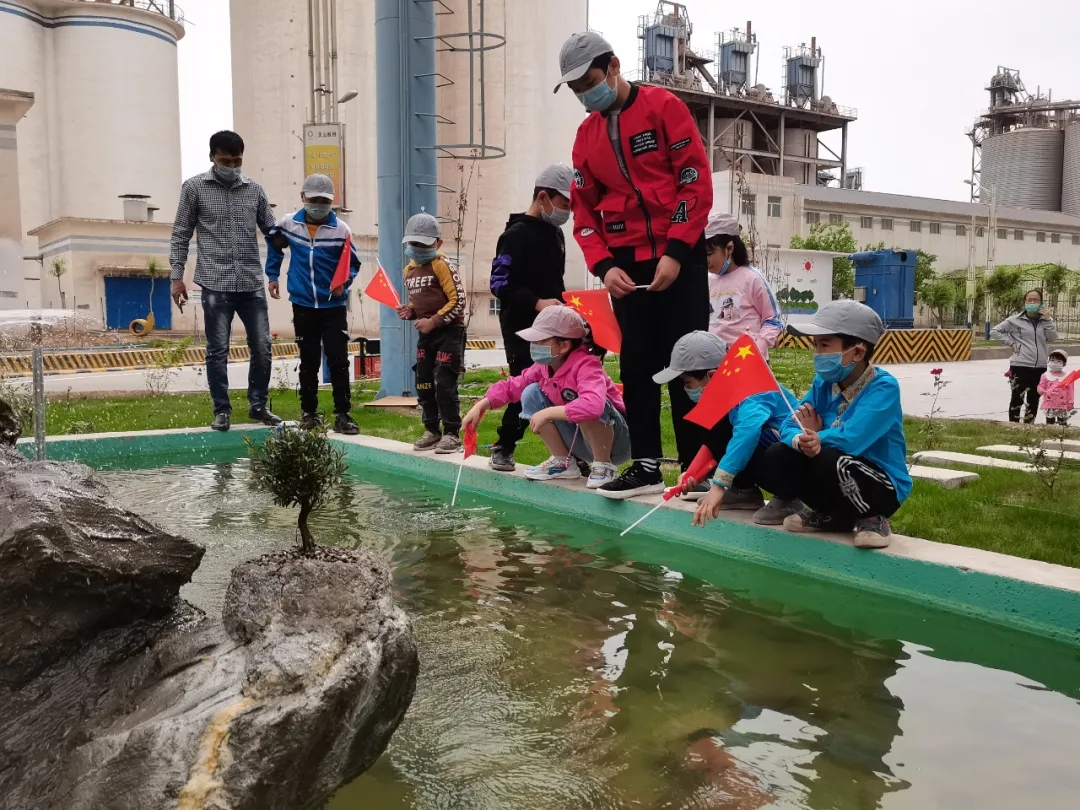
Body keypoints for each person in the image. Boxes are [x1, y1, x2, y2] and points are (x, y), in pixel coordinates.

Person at [556, 31, 713, 500]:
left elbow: (694, 182)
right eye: (576, 89)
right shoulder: (585, 137)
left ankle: (696, 469)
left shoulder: (664, 108)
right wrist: (604, 267)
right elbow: (583, 214)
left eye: (590, 81)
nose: (586, 94)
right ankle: (646, 465)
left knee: (691, 365)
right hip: (625, 267)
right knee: (638, 364)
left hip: (678, 258)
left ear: (614, 66)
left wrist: (677, 253)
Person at [752, 300, 912, 549]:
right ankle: (831, 514)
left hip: (879, 482)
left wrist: (818, 436)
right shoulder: (823, 384)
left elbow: (853, 438)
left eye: (825, 345)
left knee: (834, 459)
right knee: (778, 454)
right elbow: (790, 423)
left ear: (857, 353)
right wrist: (799, 438)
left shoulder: (883, 387)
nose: (817, 353)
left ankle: (872, 517)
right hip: (836, 464)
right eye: (816, 345)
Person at [170, 130, 281, 432]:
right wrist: (176, 278)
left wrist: (289, 236)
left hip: (250, 283)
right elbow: (181, 233)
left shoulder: (255, 190)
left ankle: (258, 406)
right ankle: (222, 410)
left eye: (237, 161)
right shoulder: (194, 188)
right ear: (212, 158)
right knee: (218, 349)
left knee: (263, 346)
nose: (231, 167)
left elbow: (272, 232)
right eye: (225, 161)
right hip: (215, 282)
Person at [462, 306, 629, 487]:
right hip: (581, 440)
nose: (533, 346)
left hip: (616, 443)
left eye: (540, 341)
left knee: (591, 402)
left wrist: (548, 413)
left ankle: (603, 466)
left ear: (564, 345)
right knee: (531, 393)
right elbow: (513, 386)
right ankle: (563, 463)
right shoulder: (543, 368)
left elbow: (594, 407)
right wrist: (481, 405)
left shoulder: (587, 366)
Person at [652, 332, 801, 524]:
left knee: (754, 438)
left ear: (712, 375)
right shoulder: (727, 393)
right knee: (725, 429)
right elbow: (717, 440)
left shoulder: (751, 389)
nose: (686, 389)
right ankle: (743, 491)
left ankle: (788, 498)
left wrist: (718, 485)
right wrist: (692, 473)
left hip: (795, 458)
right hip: (768, 445)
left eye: (688, 383)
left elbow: (747, 433)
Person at [488, 164, 574, 472]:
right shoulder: (515, 235)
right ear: (543, 198)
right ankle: (504, 444)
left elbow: (556, 282)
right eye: (565, 205)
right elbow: (498, 283)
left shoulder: (556, 234)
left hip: (555, 324)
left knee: (567, 384)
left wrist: (567, 308)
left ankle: (573, 455)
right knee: (526, 383)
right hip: (523, 326)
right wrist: (536, 303)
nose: (568, 212)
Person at [265, 173, 360, 435]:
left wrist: (345, 282)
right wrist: (272, 275)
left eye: (324, 201)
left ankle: (343, 414)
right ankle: (309, 413)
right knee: (308, 361)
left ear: (331, 202)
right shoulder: (289, 224)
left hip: (333, 305)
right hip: (303, 304)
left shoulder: (341, 230)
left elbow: (353, 263)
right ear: (303, 197)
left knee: (338, 359)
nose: (319, 205)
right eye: (315, 199)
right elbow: (274, 244)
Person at [397, 213, 467, 454]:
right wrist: (411, 311)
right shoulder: (409, 271)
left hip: (449, 333)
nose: (417, 249)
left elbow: (458, 301)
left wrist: (434, 321)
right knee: (424, 381)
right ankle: (431, 429)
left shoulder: (443, 265)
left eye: (423, 244)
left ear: (437, 244)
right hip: (426, 336)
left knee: (444, 382)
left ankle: (451, 433)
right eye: (413, 244)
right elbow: (422, 304)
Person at [703, 213, 783, 357]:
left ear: (729, 248)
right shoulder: (707, 280)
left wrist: (758, 348)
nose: (705, 260)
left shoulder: (752, 279)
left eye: (709, 253)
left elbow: (772, 319)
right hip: (714, 363)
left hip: (748, 362)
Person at [991, 289, 1058, 423]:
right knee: (1017, 398)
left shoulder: (1045, 321)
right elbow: (995, 331)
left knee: (1034, 399)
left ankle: (1029, 428)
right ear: (1025, 302)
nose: (1032, 302)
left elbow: (1052, 338)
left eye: (1036, 300)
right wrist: (1011, 343)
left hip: (1039, 367)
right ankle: (1013, 427)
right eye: (1029, 300)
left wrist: (1048, 319)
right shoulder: (1015, 320)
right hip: (1019, 365)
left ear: (1041, 303)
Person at [1038, 349, 1074, 426]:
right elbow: (1041, 386)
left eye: (1058, 361)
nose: (1055, 363)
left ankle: (1062, 436)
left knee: (1062, 422)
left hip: (1063, 404)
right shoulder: (1045, 375)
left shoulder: (1067, 377)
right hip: (1049, 404)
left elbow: (1071, 391)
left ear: (1064, 363)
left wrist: (1070, 402)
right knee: (1050, 422)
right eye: (1052, 360)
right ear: (1048, 361)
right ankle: (1051, 435)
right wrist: (1040, 390)